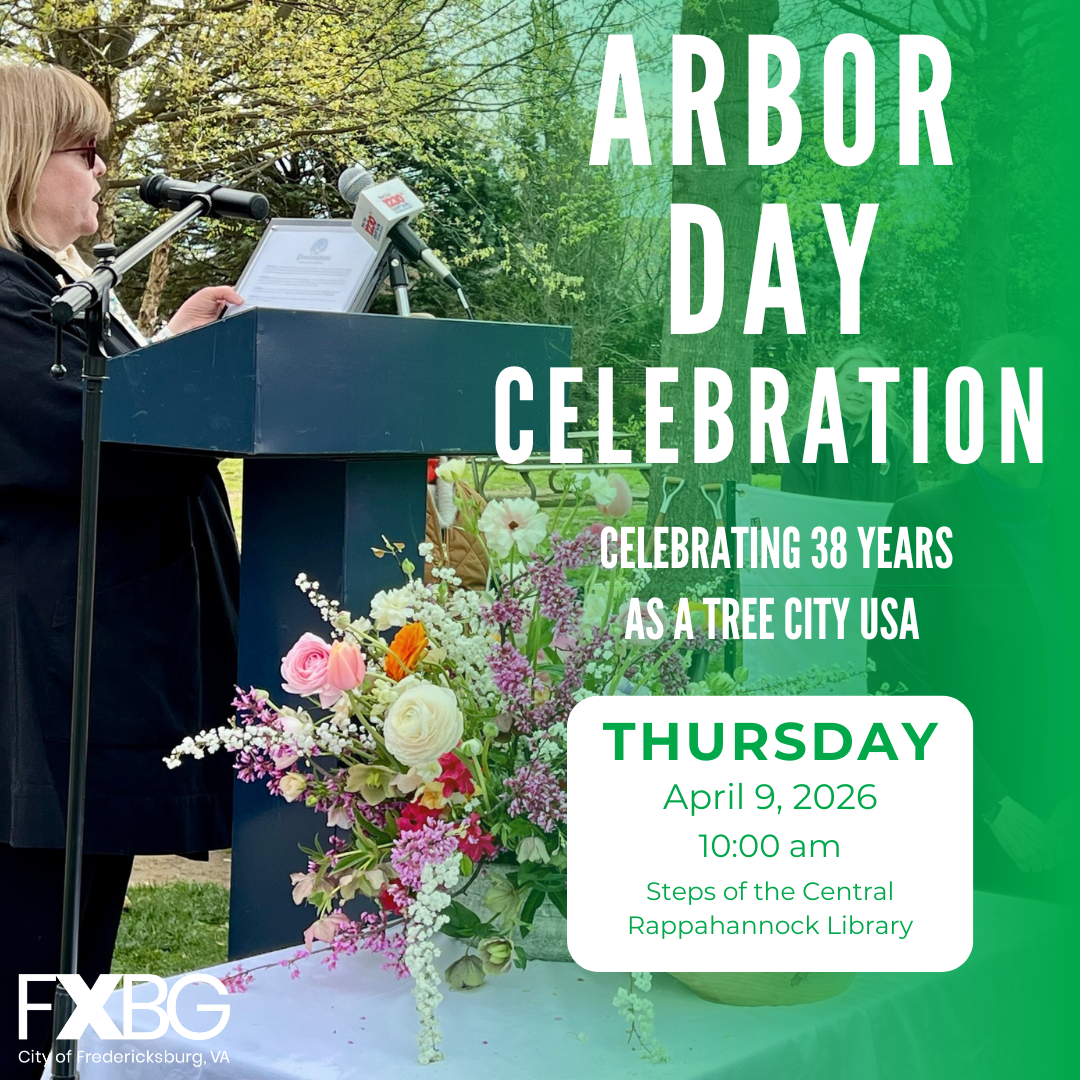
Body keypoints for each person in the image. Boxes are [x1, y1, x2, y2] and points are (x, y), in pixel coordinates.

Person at [0, 63, 244, 1074]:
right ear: (17, 159)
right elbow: (93, 438)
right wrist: (197, 374)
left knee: (62, 995)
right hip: (42, 700)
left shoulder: (59, 288)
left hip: (93, 700)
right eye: (83, 150)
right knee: (25, 991)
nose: (103, 171)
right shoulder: (8, 298)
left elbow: (120, 402)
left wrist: (174, 344)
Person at [869, 334, 1076, 901]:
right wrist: (990, 806)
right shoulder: (921, 519)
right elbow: (896, 683)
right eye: (977, 403)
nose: (991, 420)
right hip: (979, 843)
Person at [782, 346, 919, 502]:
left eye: (870, 384)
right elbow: (796, 514)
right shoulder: (803, 445)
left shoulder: (896, 449)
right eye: (851, 380)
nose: (859, 390)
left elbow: (908, 515)